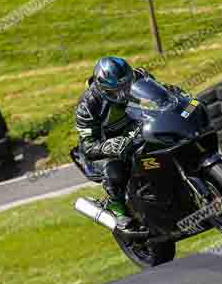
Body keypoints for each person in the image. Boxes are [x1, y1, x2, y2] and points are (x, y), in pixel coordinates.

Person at [74, 56, 186, 230]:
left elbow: (165, 94)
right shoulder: (88, 105)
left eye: (127, 86)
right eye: (116, 91)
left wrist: (183, 99)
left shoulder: (139, 76)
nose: (124, 94)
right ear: (103, 88)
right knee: (116, 171)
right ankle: (117, 208)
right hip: (104, 147)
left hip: (138, 128)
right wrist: (107, 146)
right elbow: (87, 145)